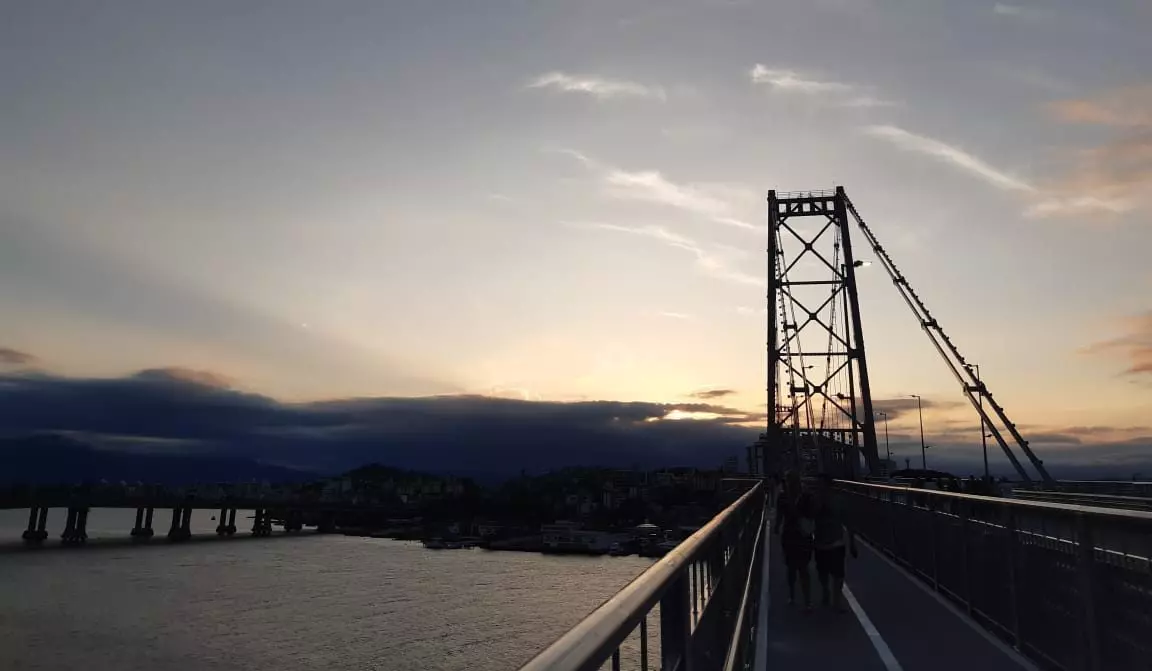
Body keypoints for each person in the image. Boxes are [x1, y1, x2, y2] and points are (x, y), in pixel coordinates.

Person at [811, 473, 857, 612]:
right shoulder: (814, 500)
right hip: (820, 542)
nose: (819, 487)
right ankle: (826, 590)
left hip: (836, 542)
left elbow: (848, 522)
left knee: (838, 573)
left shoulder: (839, 501)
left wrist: (852, 542)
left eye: (822, 484)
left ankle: (836, 600)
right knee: (822, 572)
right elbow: (809, 517)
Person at [774, 471, 814, 611]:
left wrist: (776, 527)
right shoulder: (790, 497)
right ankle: (801, 599)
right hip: (796, 536)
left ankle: (801, 598)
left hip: (794, 535)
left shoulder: (786, 497)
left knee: (799, 568)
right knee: (797, 568)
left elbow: (779, 516)